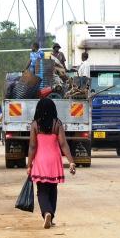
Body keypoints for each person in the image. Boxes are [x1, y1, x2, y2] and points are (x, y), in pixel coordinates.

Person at [27, 98, 76, 229]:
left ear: (38, 109)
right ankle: (51, 216)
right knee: (53, 189)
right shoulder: (57, 124)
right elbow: (63, 144)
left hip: (40, 160)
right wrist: (71, 162)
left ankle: (47, 212)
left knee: (41, 190)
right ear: (53, 109)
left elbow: (32, 146)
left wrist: (29, 164)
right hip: (54, 159)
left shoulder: (35, 125)